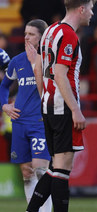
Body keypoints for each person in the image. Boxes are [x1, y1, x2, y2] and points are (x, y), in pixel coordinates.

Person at [26, 1, 96, 211]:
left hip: (48, 106)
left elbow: (38, 69)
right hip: (63, 107)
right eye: (91, 8)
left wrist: (44, 99)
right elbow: (59, 73)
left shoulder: (49, 30)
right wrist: (75, 109)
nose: (92, 13)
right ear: (81, 9)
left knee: (55, 167)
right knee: (63, 169)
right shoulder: (68, 35)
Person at [0, 20, 52, 212]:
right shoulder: (17, 61)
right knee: (27, 172)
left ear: (42, 37)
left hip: (40, 121)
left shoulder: (50, 60)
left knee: (41, 170)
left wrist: (34, 63)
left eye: (31, 34)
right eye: (25, 34)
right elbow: (4, 86)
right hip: (19, 122)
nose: (26, 37)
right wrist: (4, 105)